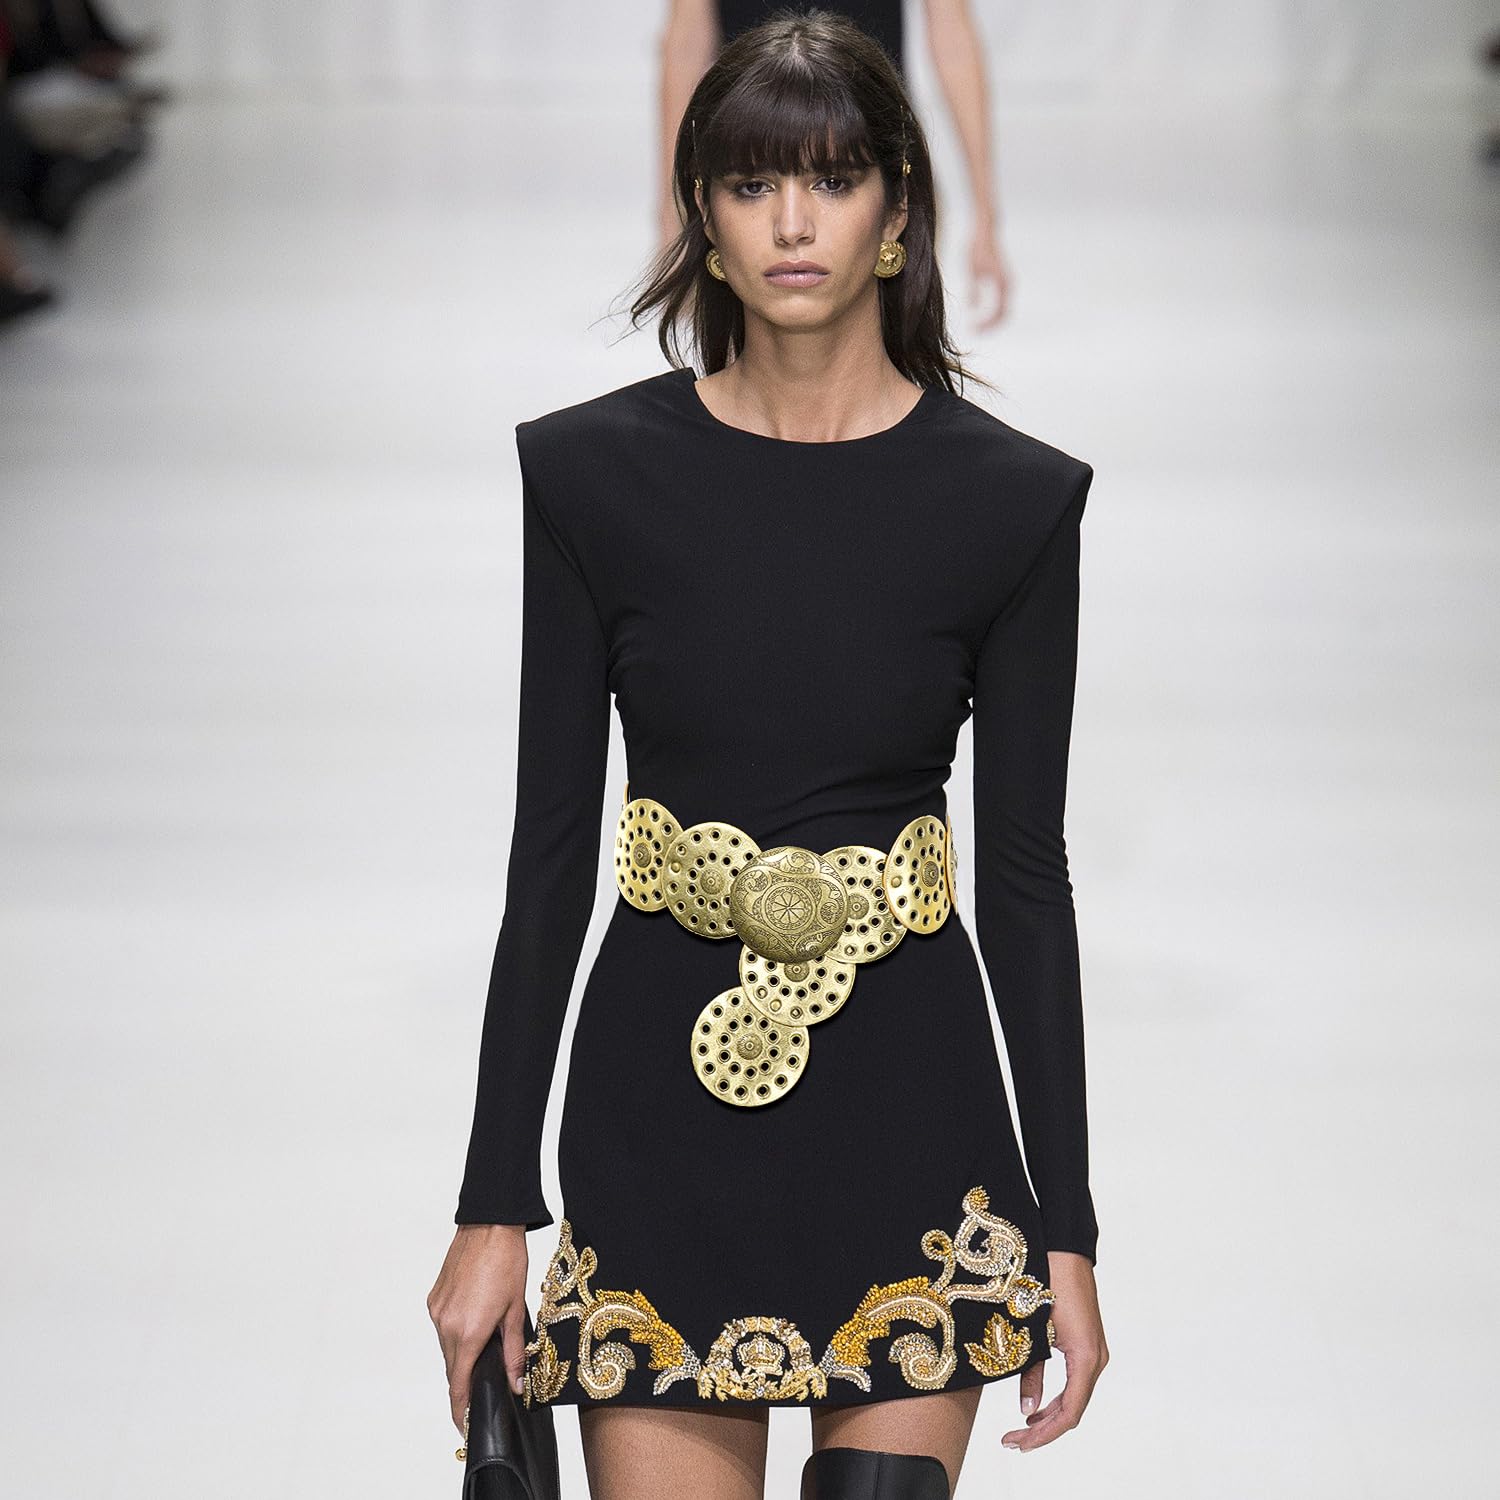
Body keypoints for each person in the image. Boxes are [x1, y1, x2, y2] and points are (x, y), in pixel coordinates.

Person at [429, 11, 1108, 1496]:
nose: (794, 222)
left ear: (897, 209)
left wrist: (1067, 1227)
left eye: (835, 178)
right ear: (702, 214)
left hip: (912, 1112)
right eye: (751, 183)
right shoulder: (591, 477)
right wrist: (493, 1206)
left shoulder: (1012, 503)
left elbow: (1024, 878)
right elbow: (549, 855)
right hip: (657, 1112)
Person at [657, 0, 1017, 327]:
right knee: (751, 351)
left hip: (872, 161)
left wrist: (985, 217)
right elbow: (687, 43)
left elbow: (952, 37)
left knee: (883, 342)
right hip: (749, 160)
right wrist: (674, 207)